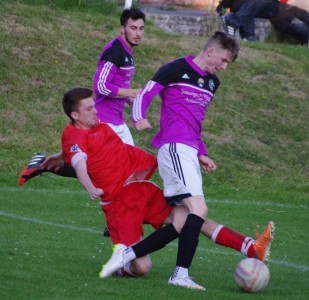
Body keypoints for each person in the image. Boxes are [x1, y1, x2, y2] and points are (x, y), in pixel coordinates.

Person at [43, 86, 274, 287]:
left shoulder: (94, 126)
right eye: (89, 109)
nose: (96, 111)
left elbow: (79, 153)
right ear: (75, 115)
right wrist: (89, 188)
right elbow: (79, 163)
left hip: (141, 190)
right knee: (142, 268)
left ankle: (252, 248)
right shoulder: (73, 136)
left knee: (192, 217)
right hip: (119, 206)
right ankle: (122, 265)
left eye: (94, 106)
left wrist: (58, 156)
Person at [103, 31, 245, 290]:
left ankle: (126, 255)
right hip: (174, 148)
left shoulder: (213, 83)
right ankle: (180, 275)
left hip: (189, 151)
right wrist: (139, 117)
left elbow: (194, 120)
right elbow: (146, 93)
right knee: (199, 211)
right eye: (223, 60)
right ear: (211, 51)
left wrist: (201, 151)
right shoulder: (176, 68)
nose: (224, 67)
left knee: (181, 221)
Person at [18, 7, 146, 186]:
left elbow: (115, 85)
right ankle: (43, 164)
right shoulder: (115, 52)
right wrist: (132, 92)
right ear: (122, 29)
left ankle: (44, 162)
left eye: (141, 28)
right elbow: (100, 86)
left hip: (118, 123)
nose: (138, 33)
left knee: (131, 170)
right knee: (101, 170)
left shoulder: (127, 53)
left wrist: (129, 98)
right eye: (133, 28)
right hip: (104, 121)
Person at [216, 0, 309, 43]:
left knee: (298, 24)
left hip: (275, 8)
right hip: (261, 6)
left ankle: (245, 33)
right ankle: (247, 36)